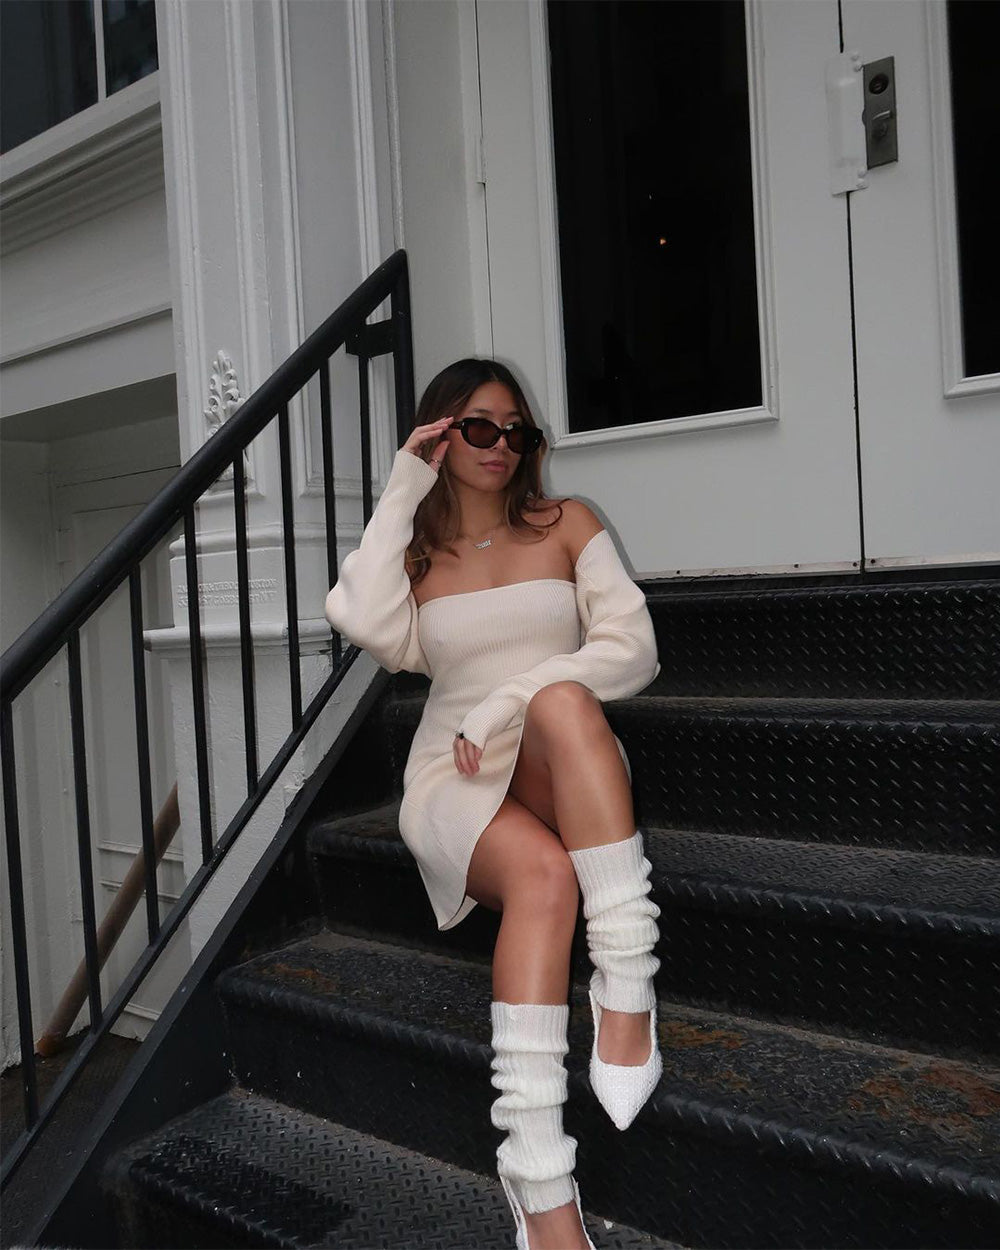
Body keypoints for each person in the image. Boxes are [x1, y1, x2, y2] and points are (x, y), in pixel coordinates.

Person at [325, 358, 662, 1250]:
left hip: (556, 755)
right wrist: (405, 481)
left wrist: (512, 696)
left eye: (517, 430)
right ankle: (537, 1178)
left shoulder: (567, 524)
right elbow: (358, 617)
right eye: (479, 427)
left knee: (564, 701)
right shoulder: (416, 561)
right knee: (545, 877)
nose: (502, 444)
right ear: (442, 435)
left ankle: (627, 980)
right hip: (457, 772)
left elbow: (633, 649)